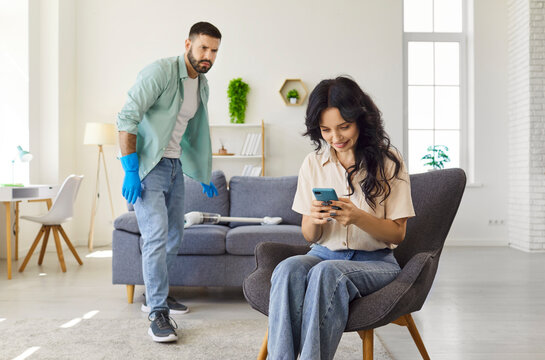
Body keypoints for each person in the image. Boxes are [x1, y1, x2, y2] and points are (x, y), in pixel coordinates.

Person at [267, 76, 415, 359]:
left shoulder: (389, 161)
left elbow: (397, 234)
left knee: (327, 273)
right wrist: (315, 217)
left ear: (361, 119)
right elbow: (309, 236)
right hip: (323, 253)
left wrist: (358, 217)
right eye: (326, 130)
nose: (336, 138)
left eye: (344, 127)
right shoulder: (313, 163)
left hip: (375, 262)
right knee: (287, 269)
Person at [116, 22, 221, 343]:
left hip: (174, 166)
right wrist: (130, 169)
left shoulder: (201, 84)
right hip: (149, 167)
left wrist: (201, 172)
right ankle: (157, 313)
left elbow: (192, 132)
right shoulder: (160, 72)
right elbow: (126, 117)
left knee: (175, 234)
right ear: (188, 43)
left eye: (214, 51)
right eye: (203, 48)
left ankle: (153, 295)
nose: (208, 56)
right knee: (157, 236)